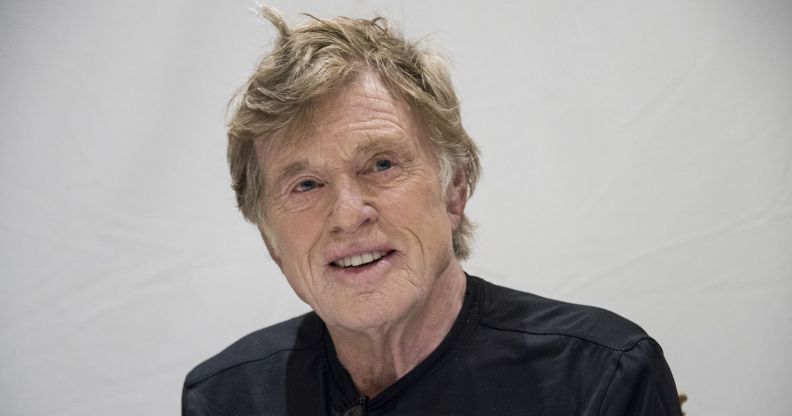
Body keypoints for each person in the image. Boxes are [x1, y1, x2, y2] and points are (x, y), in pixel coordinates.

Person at [183, 7, 682, 416]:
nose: (348, 213)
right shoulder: (228, 397)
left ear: (455, 190)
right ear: (270, 237)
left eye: (380, 164)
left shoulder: (600, 379)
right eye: (306, 184)